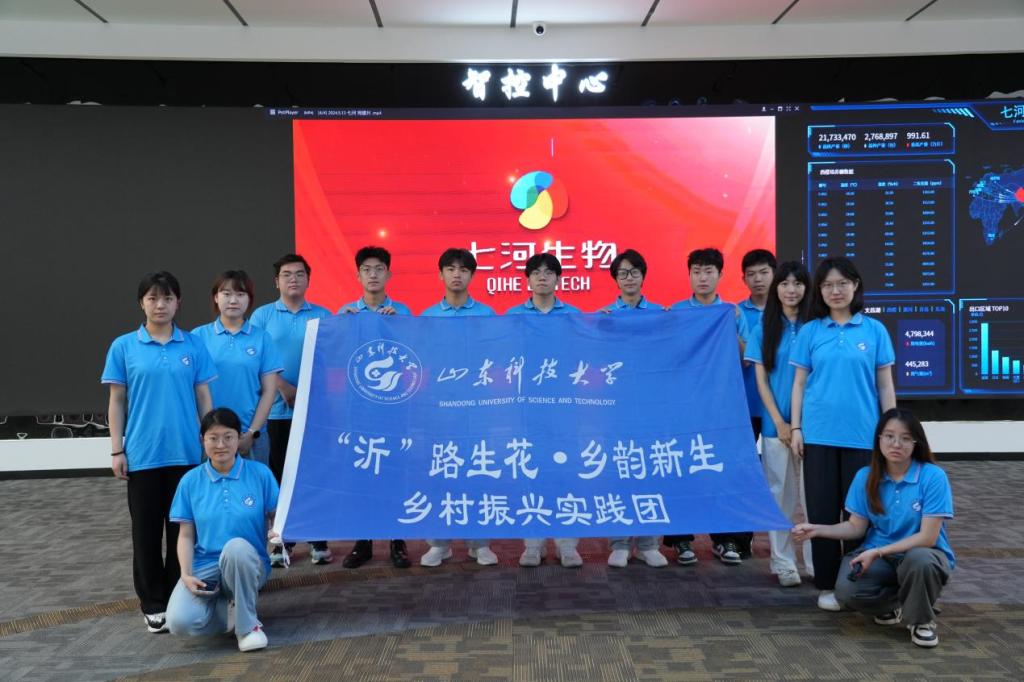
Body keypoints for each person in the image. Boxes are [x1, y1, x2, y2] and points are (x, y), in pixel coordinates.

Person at [102, 271, 216, 634]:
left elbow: (204, 397)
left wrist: (210, 443)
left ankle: (177, 593)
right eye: (152, 298)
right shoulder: (124, 346)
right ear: (142, 303)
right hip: (143, 455)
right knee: (146, 533)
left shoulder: (193, 345)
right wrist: (117, 449)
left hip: (187, 454)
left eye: (167, 298)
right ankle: (152, 602)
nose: (160, 305)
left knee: (183, 529)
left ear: (178, 302)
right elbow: (116, 401)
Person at [792, 408, 954, 648]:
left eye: (905, 438)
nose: (896, 444)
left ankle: (922, 621)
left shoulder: (933, 476)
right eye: (889, 436)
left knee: (920, 561)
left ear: (916, 442)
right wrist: (817, 530)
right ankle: (902, 603)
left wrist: (877, 552)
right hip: (881, 556)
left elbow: (927, 538)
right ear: (878, 439)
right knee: (847, 591)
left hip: (922, 553)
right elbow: (855, 527)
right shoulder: (866, 476)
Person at [790, 256, 897, 611]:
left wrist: (890, 432)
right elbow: (799, 384)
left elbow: (885, 386)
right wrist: (797, 427)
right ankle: (826, 584)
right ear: (820, 291)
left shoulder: (874, 331)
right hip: (818, 436)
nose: (835, 291)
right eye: (828, 285)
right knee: (821, 514)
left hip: (863, 438)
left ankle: (854, 582)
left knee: (859, 516)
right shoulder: (811, 332)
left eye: (842, 283)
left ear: (855, 286)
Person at [166, 408, 280, 652]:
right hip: (206, 564)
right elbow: (185, 535)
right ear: (202, 440)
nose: (221, 445)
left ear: (239, 438)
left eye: (228, 437)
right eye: (213, 438)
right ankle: (225, 614)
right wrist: (185, 574)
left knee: (236, 548)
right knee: (179, 621)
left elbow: (276, 517)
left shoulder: (260, 474)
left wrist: (277, 531)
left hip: (248, 562)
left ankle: (248, 627)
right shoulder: (190, 481)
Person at [663, 247, 751, 566]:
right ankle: (681, 540)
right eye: (697, 271)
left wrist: (731, 329)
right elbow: (665, 356)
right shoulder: (675, 312)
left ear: (720, 275)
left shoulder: (732, 312)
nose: (703, 277)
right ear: (689, 275)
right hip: (684, 408)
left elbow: (746, 359)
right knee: (680, 470)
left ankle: (725, 539)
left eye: (709, 271)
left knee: (720, 473)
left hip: (721, 409)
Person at [249, 253, 334, 566]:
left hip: (314, 413)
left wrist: (307, 393)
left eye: (299, 274)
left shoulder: (323, 315)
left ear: (308, 279)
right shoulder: (262, 317)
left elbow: (330, 360)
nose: (293, 279)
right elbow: (256, 359)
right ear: (277, 281)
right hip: (276, 412)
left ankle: (317, 539)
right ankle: (281, 540)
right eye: (286, 274)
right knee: (279, 478)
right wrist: (284, 388)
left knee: (314, 475)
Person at [420, 248, 499, 566]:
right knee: (441, 472)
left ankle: (479, 542)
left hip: (477, 409)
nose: (457, 274)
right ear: (440, 274)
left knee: (477, 472)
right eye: (451, 268)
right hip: (439, 410)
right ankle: (439, 543)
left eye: (464, 269)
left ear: (472, 276)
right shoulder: (426, 317)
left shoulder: (487, 315)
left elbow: (496, 360)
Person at [336, 246, 412, 570]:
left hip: (393, 407)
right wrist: (340, 328)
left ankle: (397, 540)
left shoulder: (402, 312)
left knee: (394, 471)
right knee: (362, 470)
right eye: (366, 269)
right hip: (358, 408)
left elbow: (414, 359)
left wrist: (401, 327)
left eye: (379, 268)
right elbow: (337, 358)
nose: (373, 275)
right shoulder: (346, 314)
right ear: (357, 276)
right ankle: (363, 541)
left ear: (388, 274)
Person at [506, 253, 584, 568]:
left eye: (549, 272)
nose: (542, 277)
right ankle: (533, 544)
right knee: (530, 471)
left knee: (565, 472)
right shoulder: (512, 316)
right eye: (536, 272)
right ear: (527, 279)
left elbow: (587, 354)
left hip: (565, 407)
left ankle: (567, 544)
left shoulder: (574, 316)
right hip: (526, 408)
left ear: (558, 279)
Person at [744, 261, 813, 587]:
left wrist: (800, 425)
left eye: (797, 283)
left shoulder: (817, 326)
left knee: (815, 500)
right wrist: (780, 422)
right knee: (780, 498)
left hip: (814, 427)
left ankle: (817, 563)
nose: (791, 290)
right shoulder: (764, 328)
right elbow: (761, 382)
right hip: (776, 428)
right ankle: (784, 563)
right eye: (785, 284)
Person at [599, 249, 669, 569]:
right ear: (615, 279)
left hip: (652, 406)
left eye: (634, 272)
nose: (629, 278)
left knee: (650, 472)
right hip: (615, 408)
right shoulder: (604, 316)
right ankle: (619, 543)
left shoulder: (660, 314)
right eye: (622, 273)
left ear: (643, 276)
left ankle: (648, 543)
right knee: (619, 473)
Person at [192, 271, 283, 467]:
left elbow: (269, 391)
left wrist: (252, 433)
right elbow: (192, 390)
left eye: (240, 294)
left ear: (249, 299)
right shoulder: (198, 337)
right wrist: (206, 432)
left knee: (254, 485)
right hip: (209, 438)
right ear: (216, 297)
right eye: (226, 294)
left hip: (251, 437)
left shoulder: (262, 338)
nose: (233, 300)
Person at [738, 249, 777, 442]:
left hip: (779, 406)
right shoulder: (734, 313)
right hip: (745, 405)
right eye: (751, 274)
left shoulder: (788, 312)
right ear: (743, 279)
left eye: (764, 272)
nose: (758, 279)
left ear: (775, 274)